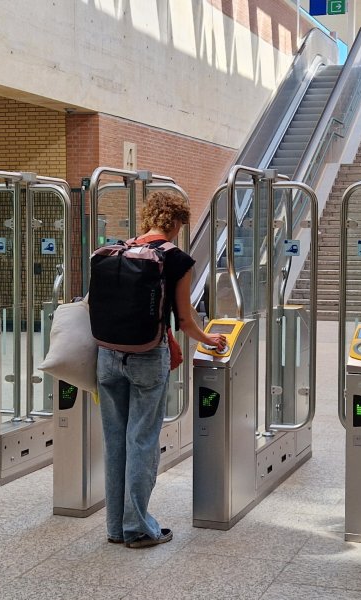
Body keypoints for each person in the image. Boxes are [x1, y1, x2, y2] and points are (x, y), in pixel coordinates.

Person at [95, 190, 227, 549]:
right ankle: (137, 528)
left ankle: (115, 527)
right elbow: (185, 321)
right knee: (142, 440)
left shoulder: (114, 251)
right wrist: (210, 339)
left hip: (106, 356)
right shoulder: (176, 259)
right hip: (147, 357)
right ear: (177, 222)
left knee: (115, 441)